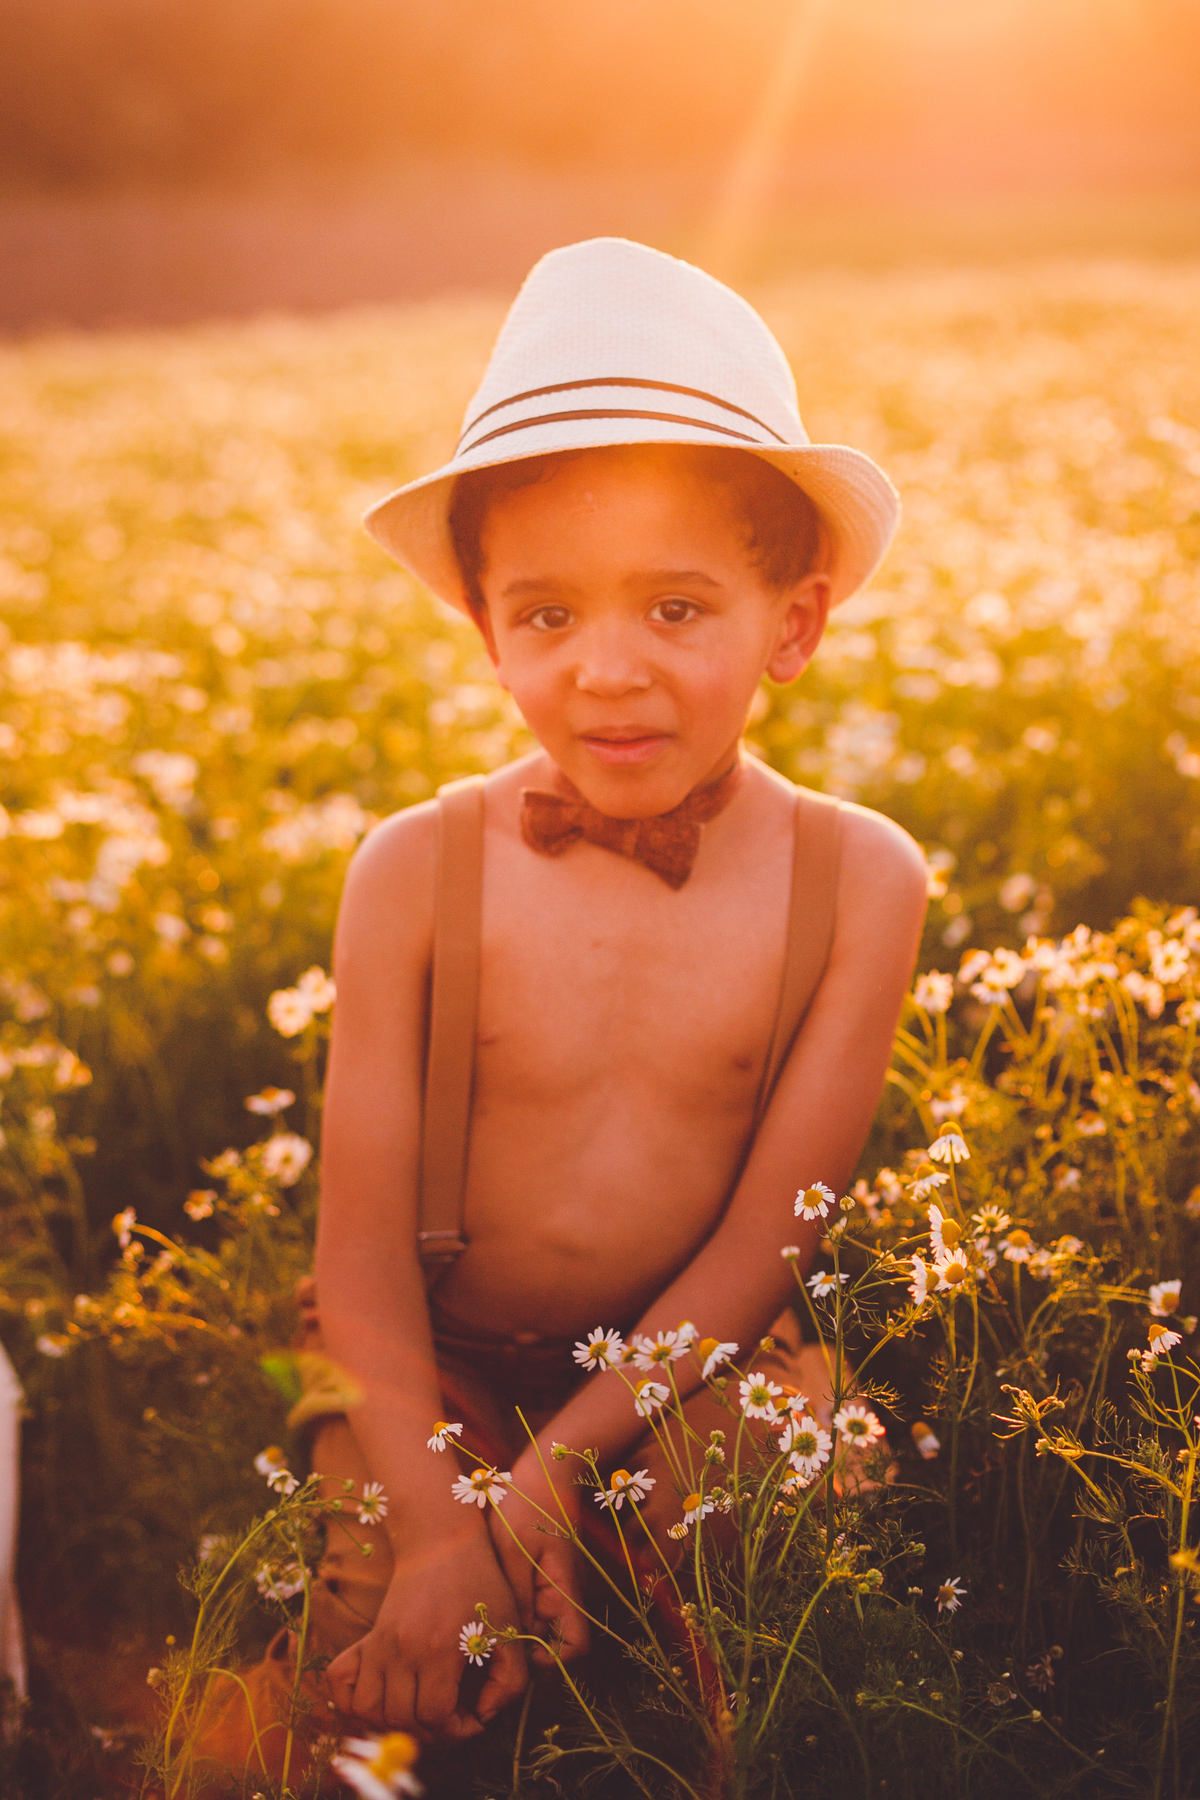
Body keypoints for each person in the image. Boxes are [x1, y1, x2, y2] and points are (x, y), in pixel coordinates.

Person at [282, 238, 927, 1752]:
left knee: (787, 1562)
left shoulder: (863, 879)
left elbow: (778, 1232)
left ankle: (654, 1655)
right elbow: (360, 1265)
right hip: (434, 1359)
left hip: (693, 1355)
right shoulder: (409, 869)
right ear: (484, 625)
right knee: (381, 1630)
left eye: (678, 610)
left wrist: (564, 1463)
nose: (610, 673)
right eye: (550, 615)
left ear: (797, 625)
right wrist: (449, 1526)